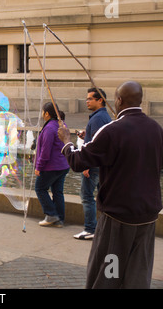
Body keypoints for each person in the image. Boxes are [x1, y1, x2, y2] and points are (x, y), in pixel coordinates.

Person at [58, 81, 163, 289]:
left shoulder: (112, 130)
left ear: (119, 100)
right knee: (138, 272)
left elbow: (79, 162)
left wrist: (67, 142)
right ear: (140, 100)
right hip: (147, 217)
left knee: (109, 271)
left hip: (118, 217)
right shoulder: (156, 129)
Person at [73, 88, 111, 240]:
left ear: (100, 100)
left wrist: (87, 165)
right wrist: (85, 135)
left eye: (90, 99)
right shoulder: (103, 117)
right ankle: (102, 228)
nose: (87, 101)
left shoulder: (97, 119)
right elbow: (98, 139)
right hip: (101, 165)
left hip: (93, 165)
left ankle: (90, 229)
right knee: (102, 197)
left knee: (87, 196)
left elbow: (97, 146)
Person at [34, 102, 70, 227]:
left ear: (47, 113)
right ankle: (59, 219)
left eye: (43, 112)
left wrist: (39, 167)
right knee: (58, 192)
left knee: (40, 188)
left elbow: (45, 152)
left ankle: (51, 215)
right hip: (63, 165)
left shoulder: (49, 128)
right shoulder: (61, 124)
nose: (42, 114)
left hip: (52, 166)